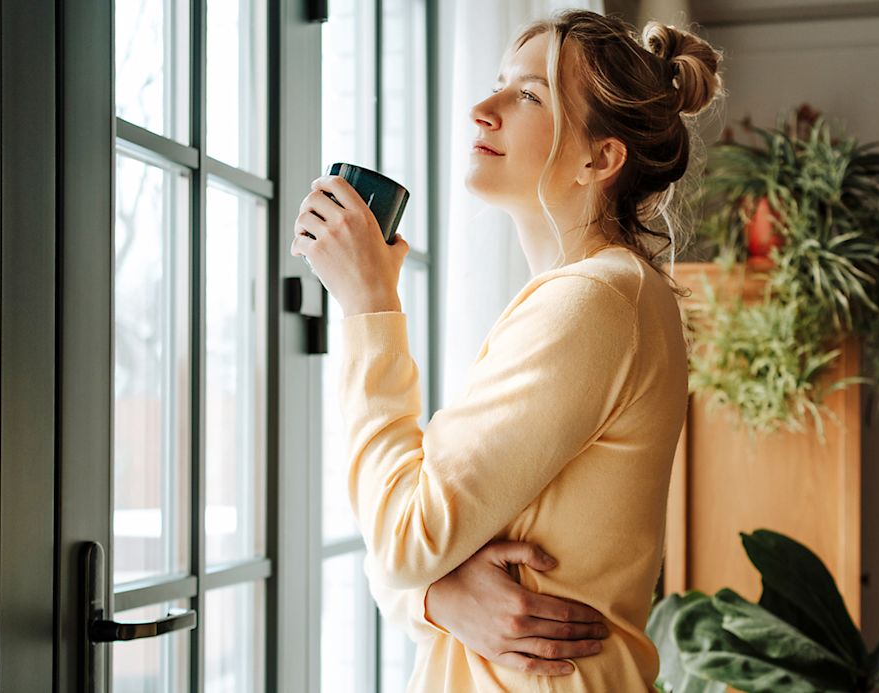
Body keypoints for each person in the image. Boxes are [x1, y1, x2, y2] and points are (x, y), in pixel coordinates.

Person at [290, 8, 724, 691]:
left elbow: (402, 535)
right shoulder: (588, 297)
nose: (481, 108)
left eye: (527, 94)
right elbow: (406, 543)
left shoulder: (594, 302)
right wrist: (436, 597)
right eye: (499, 83)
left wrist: (370, 305)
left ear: (600, 158)